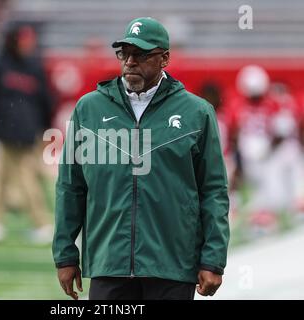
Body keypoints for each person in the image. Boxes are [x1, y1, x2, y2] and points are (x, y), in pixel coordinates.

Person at [52, 17, 230, 300]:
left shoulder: (197, 113)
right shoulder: (88, 109)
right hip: (109, 262)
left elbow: (213, 191)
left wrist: (213, 259)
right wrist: (65, 254)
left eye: (142, 54)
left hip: (172, 263)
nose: (130, 62)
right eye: (125, 53)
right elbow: (71, 186)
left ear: (165, 59)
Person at [0, 22, 53, 244]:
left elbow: (46, 100)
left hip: (25, 133)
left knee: (23, 178)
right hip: (7, 131)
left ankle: (41, 224)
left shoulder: (33, 66)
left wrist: (43, 127)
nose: (28, 45)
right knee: (2, 177)